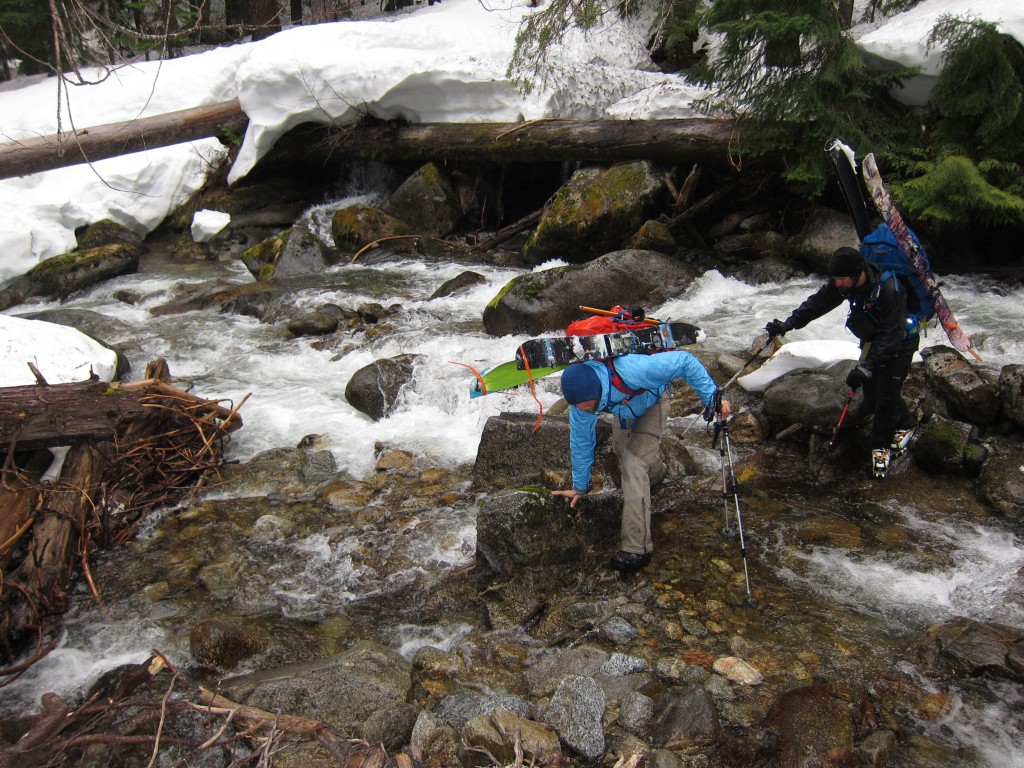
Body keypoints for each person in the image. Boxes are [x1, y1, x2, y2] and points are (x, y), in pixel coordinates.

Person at [552, 352, 731, 573]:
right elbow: (581, 442)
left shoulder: (633, 368)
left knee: (632, 464)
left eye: (582, 403)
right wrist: (580, 486)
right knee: (622, 450)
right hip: (625, 408)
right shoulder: (580, 403)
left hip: (654, 401)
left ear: (596, 390)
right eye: (574, 404)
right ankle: (656, 474)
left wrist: (713, 398)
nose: (579, 408)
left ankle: (637, 548)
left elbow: (685, 361)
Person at [765, 246, 918, 478]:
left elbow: (891, 336)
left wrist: (868, 366)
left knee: (885, 395)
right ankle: (906, 422)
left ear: (859, 274)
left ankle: (880, 455)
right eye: (835, 279)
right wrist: (788, 324)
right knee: (871, 391)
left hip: (900, 342)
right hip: (874, 340)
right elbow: (818, 303)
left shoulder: (889, 289)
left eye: (841, 279)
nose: (837, 284)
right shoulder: (846, 285)